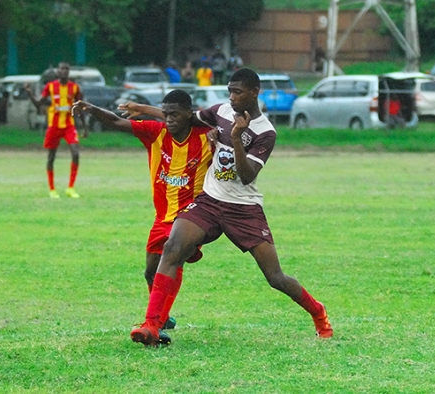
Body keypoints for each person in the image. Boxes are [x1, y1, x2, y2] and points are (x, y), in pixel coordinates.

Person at [128, 68, 333, 346]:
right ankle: (151, 325)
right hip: (210, 201)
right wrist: (143, 109)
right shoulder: (221, 111)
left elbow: (247, 175)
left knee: (275, 277)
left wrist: (236, 137)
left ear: (254, 92)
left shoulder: (265, 132)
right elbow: (182, 117)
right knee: (172, 247)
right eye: (230, 91)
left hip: (243, 209)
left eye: (238, 92)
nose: (232, 97)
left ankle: (318, 312)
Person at [71, 90, 214, 344]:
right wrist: (92, 109)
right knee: (150, 271)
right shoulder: (155, 132)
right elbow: (116, 122)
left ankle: (156, 323)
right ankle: (161, 315)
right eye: (165, 113)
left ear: (189, 115)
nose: (168, 119)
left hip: (192, 217)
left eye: (174, 115)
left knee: (173, 258)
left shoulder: (206, 137)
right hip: (162, 217)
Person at [26, 62, 87, 199]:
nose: (64, 71)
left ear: (69, 71)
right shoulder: (50, 86)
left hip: (69, 125)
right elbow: (39, 103)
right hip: (53, 126)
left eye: (66, 69)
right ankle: (52, 189)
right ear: (58, 71)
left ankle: (70, 188)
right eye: (62, 69)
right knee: (51, 157)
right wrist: (30, 93)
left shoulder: (75, 88)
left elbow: (80, 107)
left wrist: (84, 127)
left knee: (76, 153)